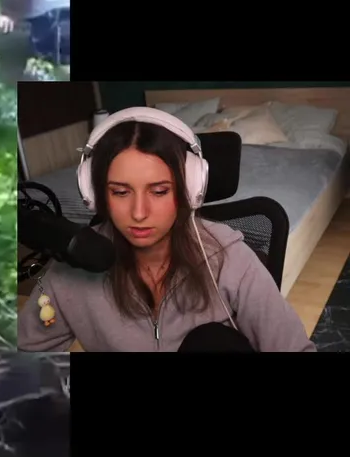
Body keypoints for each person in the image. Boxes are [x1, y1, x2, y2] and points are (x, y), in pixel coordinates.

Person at [18, 108, 315, 352]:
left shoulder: (228, 257)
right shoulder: (73, 268)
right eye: (120, 192)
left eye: (159, 191)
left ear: (190, 189)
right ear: (95, 194)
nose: (139, 213)